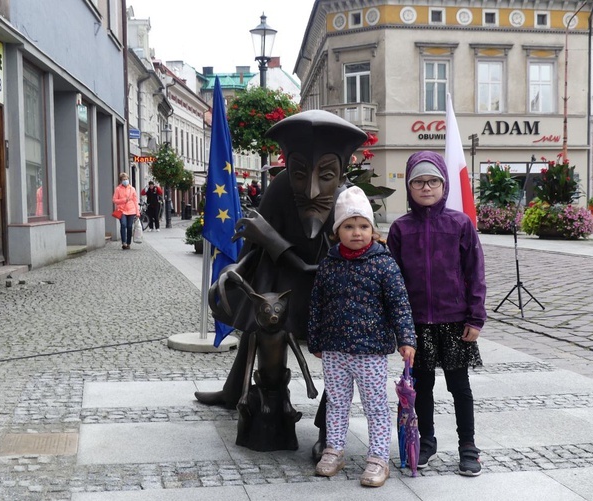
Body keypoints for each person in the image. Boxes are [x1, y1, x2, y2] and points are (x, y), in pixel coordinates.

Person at [196, 110, 368, 455]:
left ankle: (329, 433)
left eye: (327, 175)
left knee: (341, 346)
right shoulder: (279, 189)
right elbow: (253, 249)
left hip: (332, 290)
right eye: (300, 174)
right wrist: (234, 273)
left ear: (342, 171)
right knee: (267, 322)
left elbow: (328, 268)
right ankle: (266, 403)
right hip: (283, 285)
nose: (312, 188)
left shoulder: (350, 202)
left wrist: (273, 240)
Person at [308, 186, 416, 487]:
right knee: (337, 403)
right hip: (334, 350)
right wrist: (315, 339)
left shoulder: (383, 263)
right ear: (337, 231)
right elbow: (317, 302)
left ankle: (379, 457)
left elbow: (399, 303)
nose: (357, 232)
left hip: (370, 352)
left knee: (375, 405)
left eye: (363, 226)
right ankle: (334, 449)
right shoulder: (329, 264)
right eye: (349, 226)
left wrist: (407, 338)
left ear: (373, 229)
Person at [387, 150, 486, 477]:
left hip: (455, 321)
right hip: (417, 325)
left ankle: (468, 446)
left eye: (433, 181)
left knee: (460, 386)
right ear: (409, 186)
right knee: (422, 386)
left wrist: (475, 316)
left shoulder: (460, 224)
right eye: (419, 181)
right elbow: (394, 279)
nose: (426, 187)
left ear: (443, 185)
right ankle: (426, 440)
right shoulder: (400, 229)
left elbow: (475, 272)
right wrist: (400, 326)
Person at [112, 172, 140, 250]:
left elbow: (135, 201)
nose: (125, 181)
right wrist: (124, 200)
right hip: (122, 210)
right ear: (121, 180)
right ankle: (123, 242)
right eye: (124, 179)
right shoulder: (118, 189)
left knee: (129, 226)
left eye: (127, 179)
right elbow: (114, 200)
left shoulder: (132, 189)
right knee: (123, 225)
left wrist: (137, 212)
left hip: (131, 210)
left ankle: (128, 243)